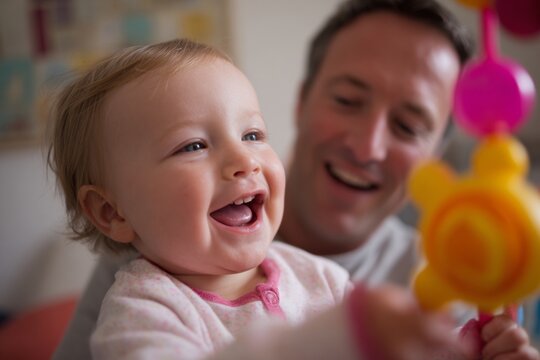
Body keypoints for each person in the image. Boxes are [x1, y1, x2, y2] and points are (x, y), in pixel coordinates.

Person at [52, 0, 539, 359]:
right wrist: (341, 338)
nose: (243, 160)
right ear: (112, 212)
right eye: (194, 146)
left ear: (436, 154)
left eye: (252, 134)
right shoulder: (145, 301)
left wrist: (465, 351)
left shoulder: (326, 277)